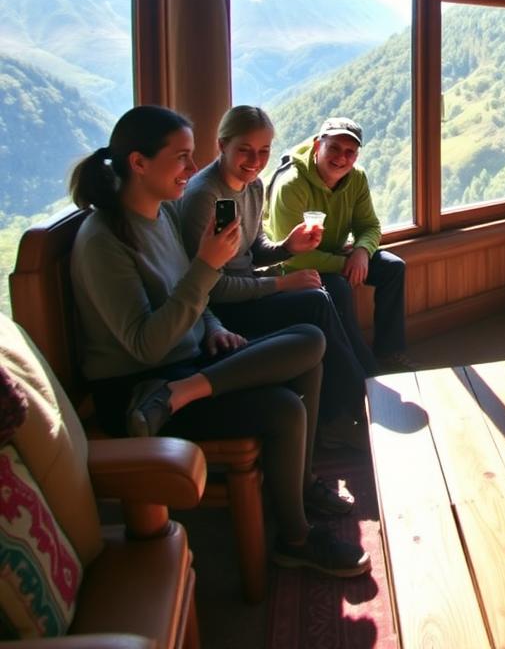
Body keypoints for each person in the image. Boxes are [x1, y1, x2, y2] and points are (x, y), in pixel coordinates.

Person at [69, 105, 370, 579]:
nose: (192, 169)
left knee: (309, 341)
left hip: (186, 366)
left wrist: (213, 327)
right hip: (138, 388)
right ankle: (294, 538)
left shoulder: (161, 214)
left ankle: (300, 480)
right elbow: (146, 345)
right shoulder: (105, 239)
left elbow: (192, 292)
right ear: (138, 163)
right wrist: (209, 266)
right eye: (182, 158)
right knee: (285, 404)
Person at [178, 105, 371, 446]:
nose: (255, 160)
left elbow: (254, 249)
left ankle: (345, 409)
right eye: (245, 150)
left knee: (323, 295)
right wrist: (281, 283)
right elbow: (212, 286)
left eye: (263, 151)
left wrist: (287, 246)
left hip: (248, 289)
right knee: (314, 302)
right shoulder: (205, 196)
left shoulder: (252, 186)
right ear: (222, 144)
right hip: (221, 311)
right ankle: (358, 402)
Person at [263, 116, 413, 374]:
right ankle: (361, 368)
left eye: (350, 152)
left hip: (336, 253)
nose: (341, 158)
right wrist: (347, 263)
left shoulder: (356, 179)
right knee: (338, 287)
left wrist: (363, 252)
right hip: (292, 266)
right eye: (333, 148)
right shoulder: (292, 184)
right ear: (316, 145)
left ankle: (390, 352)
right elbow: (291, 256)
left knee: (392, 267)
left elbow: (370, 226)